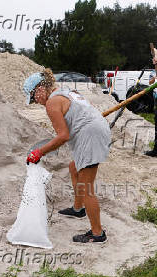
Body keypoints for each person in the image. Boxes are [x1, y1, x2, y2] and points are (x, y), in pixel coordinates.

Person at [23, 69, 111, 243]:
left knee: (86, 188)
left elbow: (63, 136)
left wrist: (39, 152)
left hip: (90, 134)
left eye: (34, 98)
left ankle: (97, 233)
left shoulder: (51, 103)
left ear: (40, 89)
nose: (36, 102)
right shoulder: (66, 91)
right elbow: (86, 109)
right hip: (96, 128)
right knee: (74, 167)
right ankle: (78, 209)